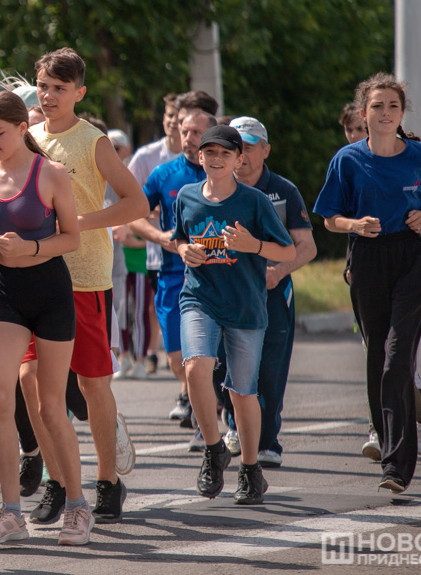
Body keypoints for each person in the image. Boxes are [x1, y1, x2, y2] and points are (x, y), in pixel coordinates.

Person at [313, 73, 421, 493]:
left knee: (397, 357)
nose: (386, 113)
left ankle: (397, 467)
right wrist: (354, 223)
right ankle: (387, 444)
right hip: (368, 259)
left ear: (401, 112)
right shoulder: (348, 159)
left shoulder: (418, 155)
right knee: (377, 356)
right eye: (377, 106)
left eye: (393, 106)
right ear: (363, 113)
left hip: (410, 258)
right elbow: (329, 219)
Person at [27, 48, 148, 524]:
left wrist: (81, 220)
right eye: (44, 87)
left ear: (78, 93)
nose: (50, 95)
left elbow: (136, 201)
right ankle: (57, 482)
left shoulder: (93, 140)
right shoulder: (28, 137)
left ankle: (107, 480)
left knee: (91, 383)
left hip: (85, 276)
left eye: (60, 88)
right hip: (35, 275)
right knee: (31, 382)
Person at [0, 90, 89, 546]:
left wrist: (31, 248)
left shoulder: (50, 174)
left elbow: (72, 239)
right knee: (0, 399)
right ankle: (10, 513)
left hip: (52, 295)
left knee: (49, 407)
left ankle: (77, 506)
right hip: (8, 296)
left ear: (23, 128)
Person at [172, 124, 295, 505]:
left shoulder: (254, 201)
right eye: (210, 153)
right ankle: (213, 450)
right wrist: (183, 251)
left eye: (226, 154)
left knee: (243, 392)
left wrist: (253, 244)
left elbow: (287, 252)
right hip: (199, 297)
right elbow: (178, 236)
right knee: (196, 367)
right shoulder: (187, 197)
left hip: (245, 305)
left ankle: (251, 469)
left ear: (239, 159)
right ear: (200, 157)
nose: (216, 160)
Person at [223, 117, 317, 468]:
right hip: (226, 294)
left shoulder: (284, 191)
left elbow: (306, 246)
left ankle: (268, 442)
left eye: (249, 147)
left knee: (271, 371)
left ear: (265, 150)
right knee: (223, 365)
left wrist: (278, 272)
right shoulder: (215, 187)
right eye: (237, 147)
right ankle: (233, 424)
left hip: (273, 294)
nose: (242, 155)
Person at [128, 111, 217, 431]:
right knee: (176, 358)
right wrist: (160, 237)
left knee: (202, 358)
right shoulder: (165, 174)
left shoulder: (224, 172)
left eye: (196, 131)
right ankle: (201, 397)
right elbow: (135, 214)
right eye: (185, 131)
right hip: (172, 275)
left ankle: (205, 421)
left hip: (220, 275)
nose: (189, 138)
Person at [127, 93, 182, 375]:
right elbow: (130, 201)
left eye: (179, 118)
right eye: (170, 116)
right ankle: (153, 352)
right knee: (156, 308)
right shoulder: (147, 157)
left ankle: (191, 389)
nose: (174, 123)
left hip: (202, 253)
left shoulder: (204, 156)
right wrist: (155, 215)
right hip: (158, 252)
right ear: (164, 119)